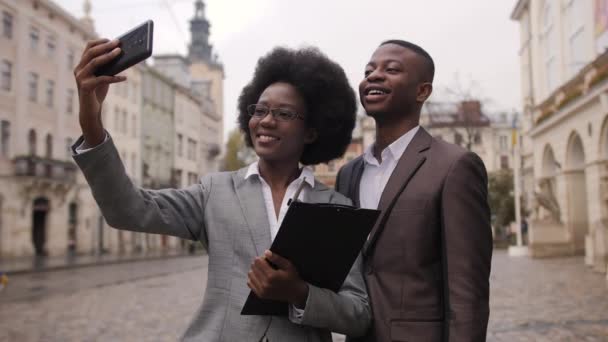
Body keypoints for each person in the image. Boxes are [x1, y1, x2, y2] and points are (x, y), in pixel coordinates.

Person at [72, 39, 370, 341]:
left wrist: (300, 293)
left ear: (312, 131)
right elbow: (128, 210)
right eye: (260, 110)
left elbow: (358, 314)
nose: (266, 120)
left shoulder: (337, 207)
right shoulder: (215, 190)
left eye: (284, 114)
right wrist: (91, 121)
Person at [336, 40, 493, 342]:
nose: (374, 76)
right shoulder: (348, 175)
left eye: (391, 69)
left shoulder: (455, 166)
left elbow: (467, 290)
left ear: (423, 91)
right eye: (369, 70)